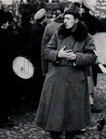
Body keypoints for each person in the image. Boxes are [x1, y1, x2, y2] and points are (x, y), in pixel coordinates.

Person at [35, 7, 97, 138]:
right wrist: (59, 54)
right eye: (64, 18)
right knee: (55, 114)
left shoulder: (86, 37)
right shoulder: (59, 33)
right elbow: (46, 52)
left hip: (75, 79)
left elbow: (92, 57)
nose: (65, 21)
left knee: (72, 116)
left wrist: (76, 57)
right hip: (56, 78)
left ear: (76, 20)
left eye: (68, 19)